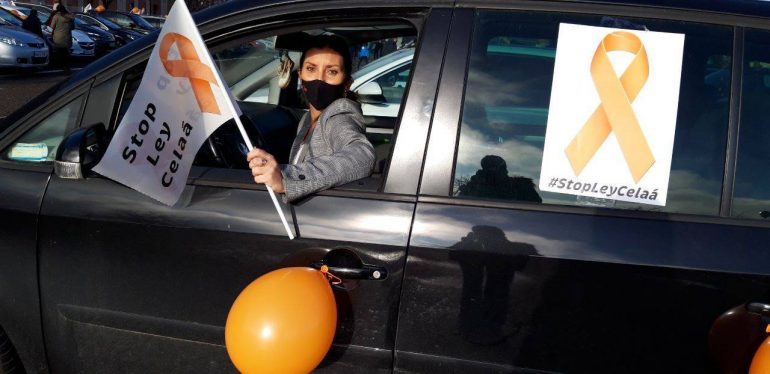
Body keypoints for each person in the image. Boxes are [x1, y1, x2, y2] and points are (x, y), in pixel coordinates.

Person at [247, 35, 375, 203]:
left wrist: (287, 178)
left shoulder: (339, 115)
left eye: (332, 71)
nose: (319, 79)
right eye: (311, 69)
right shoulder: (308, 118)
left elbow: (362, 156)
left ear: (347, 83)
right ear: (300, 75)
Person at [49, 4, 74, 72]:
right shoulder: (70, 17)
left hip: (58, 37)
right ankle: (67, 66)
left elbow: (52, 26)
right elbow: (72, 27)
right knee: (66, 52)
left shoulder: (56, 16)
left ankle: (61, 65)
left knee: (59, 52)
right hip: (67, 37)